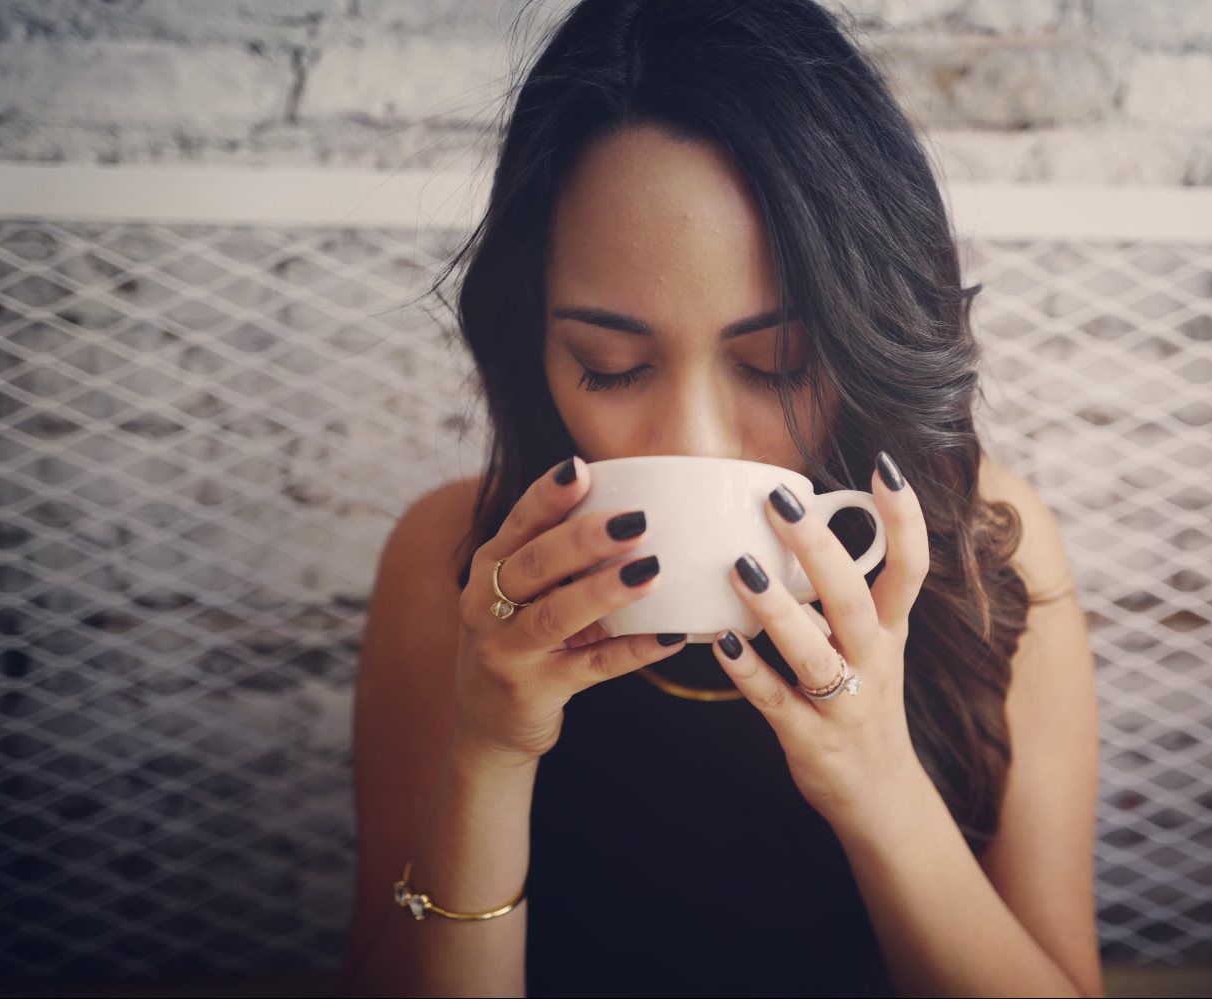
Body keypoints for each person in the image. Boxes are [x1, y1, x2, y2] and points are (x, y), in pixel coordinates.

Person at [340, 1, 1102, 995]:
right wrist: (487, 753)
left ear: (861, 337)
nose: (691, 444)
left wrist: (876, 782)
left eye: (777, 364)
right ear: (535, 342)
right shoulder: (454, 567)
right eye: (610, 367)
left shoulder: (980, 552)